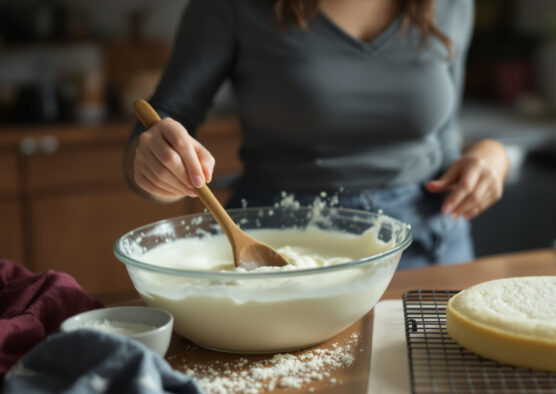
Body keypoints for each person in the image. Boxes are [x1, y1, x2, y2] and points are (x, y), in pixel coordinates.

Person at [124, 0, 510, 269]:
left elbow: (441, 137)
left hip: (426, 247)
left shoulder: (452, 4)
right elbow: (161, 121)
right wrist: (155, 165)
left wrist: (492, 154)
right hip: (275, 249)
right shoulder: (232, 6)